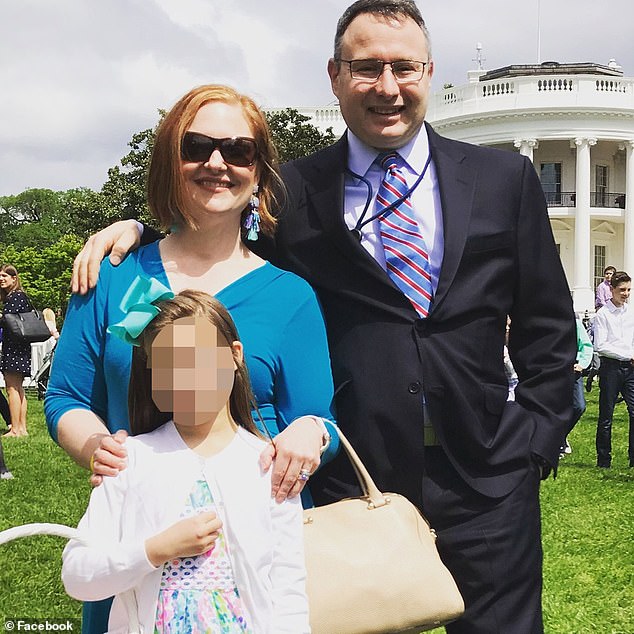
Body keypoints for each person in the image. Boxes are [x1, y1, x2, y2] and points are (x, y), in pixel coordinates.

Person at [71, 1, 576, 631]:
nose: (387, 87)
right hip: (348, 479)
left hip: (489, 480)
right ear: (334, 76)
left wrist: (536, 441)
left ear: (429, 73)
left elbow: (548, 327)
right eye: (366, 69)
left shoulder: (505, 178)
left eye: (404, 67)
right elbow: (217, 236)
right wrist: (141, 234)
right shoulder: (293, 191)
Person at [46, 84, 337, 634]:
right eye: (197, 146)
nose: (217, 163)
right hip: (137, 541)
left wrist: (310, 433)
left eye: (239, 150)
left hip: (252, 554)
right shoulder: (113, 273)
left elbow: (319, 417)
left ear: (259, 170)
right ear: (168, 162)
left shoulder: (290, 295)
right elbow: (65, 395)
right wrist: (99, 451)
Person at [62, 289, 309, 633]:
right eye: (166, 366)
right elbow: (78, 576)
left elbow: (288, 588)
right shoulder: (129, 460)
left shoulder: (268, 467)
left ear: (235, 355)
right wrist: (154, 550)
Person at [593, 270, 634, 468]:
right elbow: (600, 346)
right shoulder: (603, 314)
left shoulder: (631, 312)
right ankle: (603, 459)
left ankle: (633, 457)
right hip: (611, 368)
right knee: (606, 415)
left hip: (630, 369)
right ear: (612, 289)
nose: (626, 294)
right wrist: (626, 354)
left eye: (628, 290)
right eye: (622, 290)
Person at [0, 264, 32, 437]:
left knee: (12, 388)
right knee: (19, 388)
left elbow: (8, 321)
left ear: (14, 278)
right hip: (20, 347)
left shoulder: (15, 297)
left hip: (14, 348)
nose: (1, 279)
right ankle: (21, 428)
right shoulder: (20, 296)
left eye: (6, 275)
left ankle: (15, 429)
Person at [560, 318, 593, 457]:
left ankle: (559, 436)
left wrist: (582, 364)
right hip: (553, 369)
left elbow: (586, 345)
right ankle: (556, 441)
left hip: (573, 369)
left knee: (578, 406)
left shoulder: (575, 323)